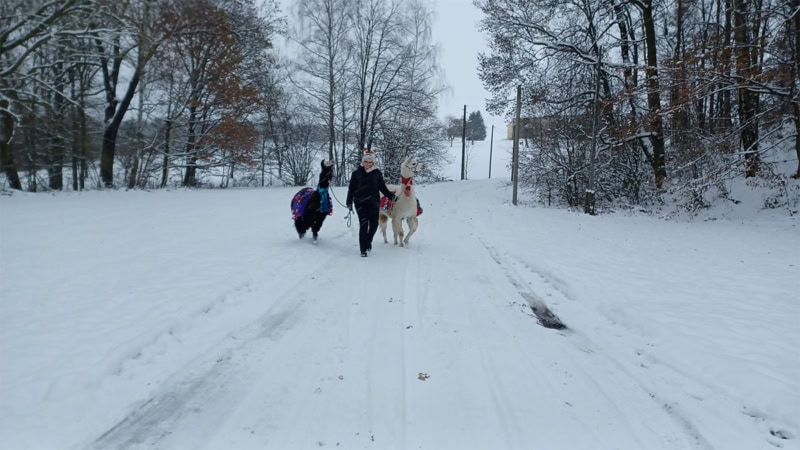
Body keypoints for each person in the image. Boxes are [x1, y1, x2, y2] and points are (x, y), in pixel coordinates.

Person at [346, 150, 397, 257]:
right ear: (362, 162)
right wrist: (349, 202)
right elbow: (351, 189)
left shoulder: (377, 173)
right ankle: (363, 249)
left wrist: (391, 196)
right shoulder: (356, 174)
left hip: (373, 202)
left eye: (370, 162)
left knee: (374, 224)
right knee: (364, 224)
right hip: (360, 202)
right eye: (366, 161)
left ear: (373, 163)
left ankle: (368, 240)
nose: (368, 164)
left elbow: (382, 187)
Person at [293, 160, 334, 243]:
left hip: (323, 193)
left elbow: (328, 180)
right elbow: (322, 181)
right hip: (320, 192)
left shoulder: (328, 172)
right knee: (310, 210)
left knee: (322, 213)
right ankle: (303, 230)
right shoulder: (323, 174)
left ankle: (315, 231)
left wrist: (329, 172)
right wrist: (326, 172)